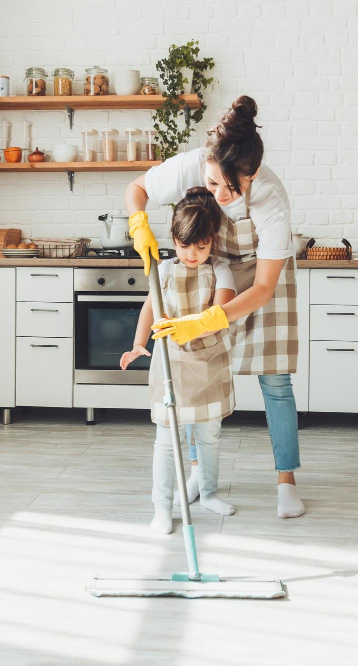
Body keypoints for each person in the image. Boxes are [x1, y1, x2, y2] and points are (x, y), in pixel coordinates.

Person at [126, 95, 306, 519]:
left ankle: (286, 482)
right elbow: (136, 188)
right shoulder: (191, 164)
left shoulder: (270, 198)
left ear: (253, 173)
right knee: (195, 374)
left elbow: (263, 286)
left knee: (275, 381)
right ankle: (196, 473)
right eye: (212, 185)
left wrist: (210, 319)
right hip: (205, 267)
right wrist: (138, 223)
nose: (222, 196)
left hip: (263, 278)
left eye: (233, 187)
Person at [120, 187, 237, 535]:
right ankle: (162, 507)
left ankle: (210, 493)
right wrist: (139, 343)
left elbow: (223, 310)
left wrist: (197, 324)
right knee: (166, 440)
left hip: (209, 363)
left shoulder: (221, 270)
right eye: (185, 246)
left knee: (209, 435)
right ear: (174, 239)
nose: (192, 254)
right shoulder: (163, 269)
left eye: (201, 247)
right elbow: (149, 307)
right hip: (170, 364)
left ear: (212, 242)